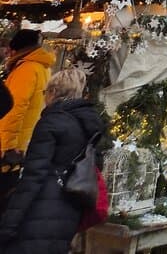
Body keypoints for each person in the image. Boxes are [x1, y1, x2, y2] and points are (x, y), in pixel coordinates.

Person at [0, 67, 105, 253]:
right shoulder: (88, 126)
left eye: (44, 92)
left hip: (38, 212)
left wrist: (8, 225)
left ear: (53, 92)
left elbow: (33, 178)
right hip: (69, 212)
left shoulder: (51, 122)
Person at [0, 29, 54, 212]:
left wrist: (6, 147)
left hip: (9, 151)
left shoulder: (26, 69)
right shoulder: (42, 68)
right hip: (22, 145)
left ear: (17, 49)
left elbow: (13, 110)